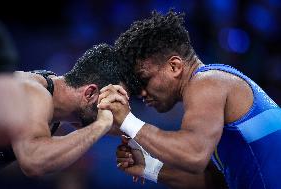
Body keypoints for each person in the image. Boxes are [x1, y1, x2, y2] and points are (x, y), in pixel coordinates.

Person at [97, 10, 281, 189]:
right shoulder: (213, 89)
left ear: (174, 66)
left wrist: (128, 120)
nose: (141, 93)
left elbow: (194, 155)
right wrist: (149, 166)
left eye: (144, 80)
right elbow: (220, 183)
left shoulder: (208, 81)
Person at [0, 43, 127, 177]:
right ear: (90, 93)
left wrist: (135, 142)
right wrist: (101, 124)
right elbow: (33, 160)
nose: (113, 112)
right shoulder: (34, 92)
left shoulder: (55, 104)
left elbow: (117, 124)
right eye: (113, 102)